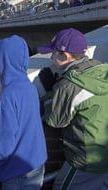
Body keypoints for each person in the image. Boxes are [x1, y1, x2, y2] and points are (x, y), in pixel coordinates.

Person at [38, 28, 108, 189]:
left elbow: (55, 121)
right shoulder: (102, 69)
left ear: (65, 56)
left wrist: (51, 93)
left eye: (54, 53)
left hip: (87, 161)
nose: (51, 57)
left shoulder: (68, 85)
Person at [0, 35, 47, 189]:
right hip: (36, 161)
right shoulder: (28, 85)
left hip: (18, 171)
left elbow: (4, 139)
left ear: (2, 61)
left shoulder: (8, 95)